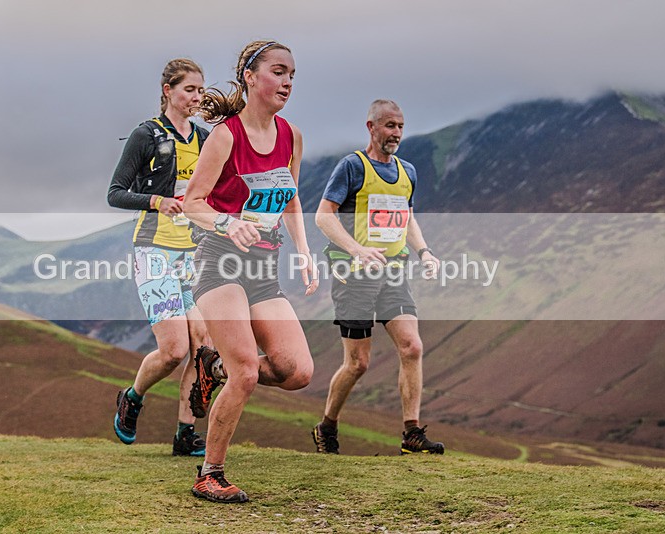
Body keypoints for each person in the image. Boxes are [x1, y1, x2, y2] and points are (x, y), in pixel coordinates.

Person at [183, 40, 317, 503]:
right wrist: (227, 222)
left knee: (296, 370)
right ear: (250, 77)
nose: (287, 82)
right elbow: (192, 203)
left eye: (292, 75)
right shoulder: (226, 137)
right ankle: (210, 474)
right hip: (219, 261)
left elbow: (291, 198)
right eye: (279, 72)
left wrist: (303, 250)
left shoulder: (291, 136)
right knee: (246, 372)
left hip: (263, 268)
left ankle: (213, 366)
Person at [311, 99, 445, 456]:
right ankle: (327, 426)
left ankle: (412, 433)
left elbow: (407, 218)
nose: (396, 133)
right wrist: (357, 249)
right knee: (358, 363)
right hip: (353, 276)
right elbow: (323, 216)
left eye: (400, 126)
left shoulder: (407, 172)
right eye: (389, 126)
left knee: (412, 347)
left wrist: (425, 251)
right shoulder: (352, 167)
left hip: (393, 273)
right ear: (371, 127)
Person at [107, 58, 213, 457]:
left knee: (203, 344)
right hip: (154, 250)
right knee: (173, 350)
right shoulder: (146, 135)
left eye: (201, 90)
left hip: (194, 254)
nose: (197, 97)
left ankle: (185, 433)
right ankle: (132, 397)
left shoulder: (205, 139)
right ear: (168, 90)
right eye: (189, 89)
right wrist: (156, 201)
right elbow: (115, 193)